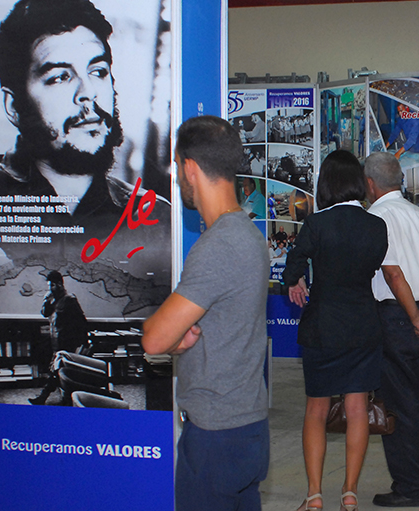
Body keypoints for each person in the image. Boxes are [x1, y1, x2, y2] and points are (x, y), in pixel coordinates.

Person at [0, 0, 171, 317]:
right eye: (59, 77)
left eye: (98, 72)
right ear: (14, 106)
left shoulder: (154, 217)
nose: (88, 93)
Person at [142, 116, 270, 511]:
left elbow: (154, 339)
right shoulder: (248, 233)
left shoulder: (218, 246)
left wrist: (173, 338)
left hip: (217, 434)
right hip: (244, 425)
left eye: (179, 168)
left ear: (190, 168)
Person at [282, 150, 388, 511]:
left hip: (323, 326)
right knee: (357, 409)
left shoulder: (317, 224)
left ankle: (313, 495)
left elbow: (294, 261)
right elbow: (373, 267)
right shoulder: (376, 226)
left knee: (316, 410)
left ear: (325, 183)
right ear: (358, 183)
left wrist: (293, 280)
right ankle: (350, 492)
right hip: (363, 323)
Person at [364, 152, 419, 508]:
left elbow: (392, 273)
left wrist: (415, 318)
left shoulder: (377, 217)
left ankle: (413, 487)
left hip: (396, 318)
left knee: (398, 406)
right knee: (417, 401)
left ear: (369, 184)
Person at [28, 270, 89, 405]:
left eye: (52, 286)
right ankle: (65, 398)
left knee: (57, 370)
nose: (50, 288)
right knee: (59, 370)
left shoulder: (70, 300)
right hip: (55, 342)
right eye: (49, 286)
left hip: (67, 342)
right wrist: (46, 299)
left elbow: (81, 321)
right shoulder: (53, 299)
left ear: (60, 284)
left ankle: (44, 397)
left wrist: (82, 343)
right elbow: (45, 313)